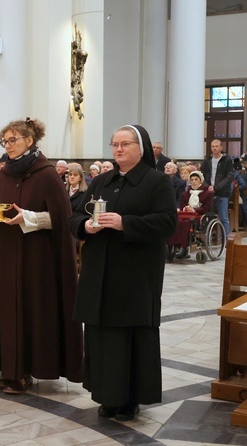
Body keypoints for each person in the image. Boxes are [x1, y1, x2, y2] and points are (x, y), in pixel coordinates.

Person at [70, 124, 177, 421]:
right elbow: (77, 215)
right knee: (101, 336)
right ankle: (106, 395)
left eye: (124, 144)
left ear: (140, 148)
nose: (118, 149)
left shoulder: (156, 182)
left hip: (134, 275)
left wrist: (124, 223)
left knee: (128, 337)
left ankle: (129, 398)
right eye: (114, 144)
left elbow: (168, 222)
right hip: (98, 272)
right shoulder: (102, 180)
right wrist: (85, 226)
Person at [0, 118, 83, 395]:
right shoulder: (3, 174)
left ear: (30, 140)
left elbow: (63, 219)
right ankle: (9, 369)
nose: (8, 145)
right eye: (5, 141)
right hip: (5, 252)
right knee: (6, 309)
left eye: (13, 140)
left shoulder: (47, 174)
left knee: (31, 310)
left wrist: (27, 217)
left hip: (36, 258)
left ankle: (28, 370)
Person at [200, 139, 234, 232]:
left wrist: (216, 187)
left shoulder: (226, 160)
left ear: (221, 147)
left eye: (216, 146)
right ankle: (209, 237)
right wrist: (207, 186)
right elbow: (202, 174)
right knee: (208, 215)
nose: (214, 148)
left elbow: (229, 176)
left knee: (223, 217)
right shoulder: (207, 160)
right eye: (213, 146)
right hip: (209, 191)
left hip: (222, 192)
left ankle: (226, 239)